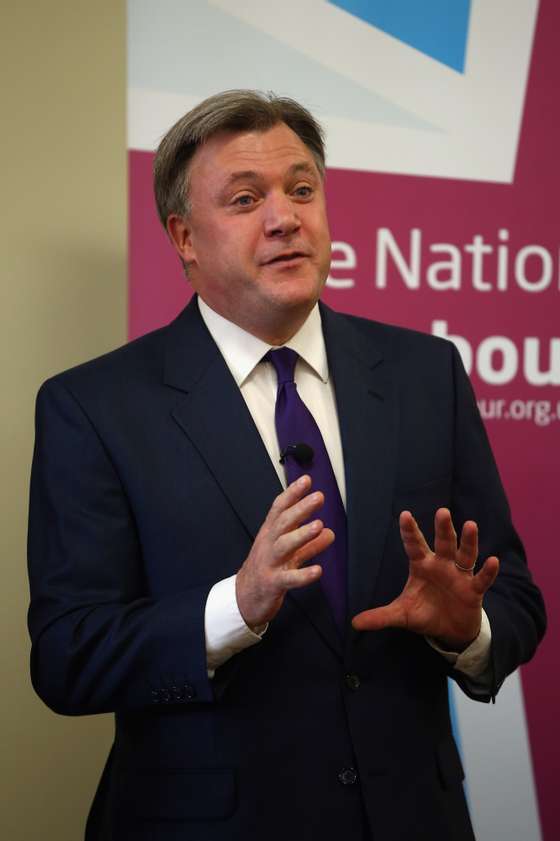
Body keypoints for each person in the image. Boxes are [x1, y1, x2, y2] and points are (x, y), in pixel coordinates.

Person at [28, 90, 545, 841]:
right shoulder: (95, 406)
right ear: (184, 238)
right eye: (245, 198)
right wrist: (233, 607)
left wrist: (468, 630)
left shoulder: (425, 374)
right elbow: (68, 657)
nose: (284, 216)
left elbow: (517, 600)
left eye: (302, 189)